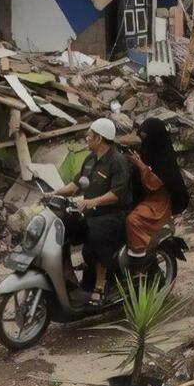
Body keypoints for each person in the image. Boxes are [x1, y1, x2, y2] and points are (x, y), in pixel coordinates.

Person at [52, 117, 132, 304]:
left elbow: (117, 194)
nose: (86, 139)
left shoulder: (117, 161)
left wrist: (93, 201)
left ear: (99, 139)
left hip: (113, 214)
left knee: (96, 235)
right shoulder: (90, 159)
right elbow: (75, 185)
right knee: (61, 226)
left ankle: (101, 284)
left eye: (89, 136)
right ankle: (68, 274)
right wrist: (53, 193)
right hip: (90, 212)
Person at [124, 117, 189, 258]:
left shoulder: (165, 158)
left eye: (146, 137)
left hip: (159, 202)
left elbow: (156, 184)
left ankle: (140, 255)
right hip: (145, 198)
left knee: (132, 219)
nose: (144, 141)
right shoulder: (145, 151)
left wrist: (141, 165)